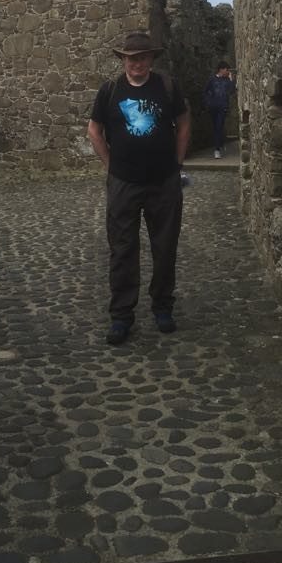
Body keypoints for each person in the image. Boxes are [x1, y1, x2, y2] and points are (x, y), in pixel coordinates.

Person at [87, 32, 191, 346]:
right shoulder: (110, 91)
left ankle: (162, 306)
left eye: (143, 57)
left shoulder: (167, 87)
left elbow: (184, 121)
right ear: (123, 60)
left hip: (163, 181)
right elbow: (94, 130)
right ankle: (121, 315)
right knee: (122, 249)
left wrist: (178, 161)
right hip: (124, 183)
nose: (138, 63)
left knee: (165, 247)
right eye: (132, 58)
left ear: (151, 59)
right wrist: (110, 165)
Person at [203, 61, 236, 159]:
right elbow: (205, 91)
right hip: (213, 107)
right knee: (216, 127)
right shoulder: (212, 80)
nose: (228, 72)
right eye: (227, 70)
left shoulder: (227, 80)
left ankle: (217, 149)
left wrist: (231, 80)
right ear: (221, 69)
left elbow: (231, 91)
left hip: (223, 107)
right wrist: (208, 102)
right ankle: (219, 144)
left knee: (219, 126)